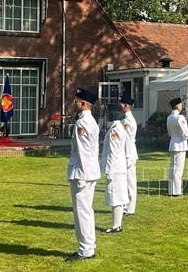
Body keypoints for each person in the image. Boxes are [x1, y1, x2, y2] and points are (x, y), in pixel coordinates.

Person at [66, 88, 100, 261]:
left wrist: (81, 175)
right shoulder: (91, 121)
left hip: (82, 172)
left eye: (76, 101)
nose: (74, 104)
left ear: (83, 104)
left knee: (82, 211)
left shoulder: (82, 123)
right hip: (89, 171)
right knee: (86, 210)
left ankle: (85, 250)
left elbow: (83, 151)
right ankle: (89, 246)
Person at [101, 104, 128, 233]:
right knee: (117, 196)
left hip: (115, 168)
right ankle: (116, 224)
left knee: (116, 197)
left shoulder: (114, 130)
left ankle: (116, 225)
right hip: (119, 167)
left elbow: (113, 152)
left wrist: (110, 171)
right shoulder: (118, 127)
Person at [167, 97, 188, 196]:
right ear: (177, 106)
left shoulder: (169, 117)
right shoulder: (180, 117)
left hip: (173, 142)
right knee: (178, 168)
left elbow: (169, 132)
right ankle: (176, 190)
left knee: (173, 167)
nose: (182, 106)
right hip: (180, 144)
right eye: (180, 104)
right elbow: (186, 133)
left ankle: (171, 189)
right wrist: (187, 134)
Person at [120, 95, 138, 216]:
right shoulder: (124, 119)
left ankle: (130, 207)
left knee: (130, 182)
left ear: (126, 106)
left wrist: (126, 156)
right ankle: (126, 206)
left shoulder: (128, 121)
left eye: (121, 104)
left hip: (129, 153)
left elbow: (126, 139)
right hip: (125, 152)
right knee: (125, 181)